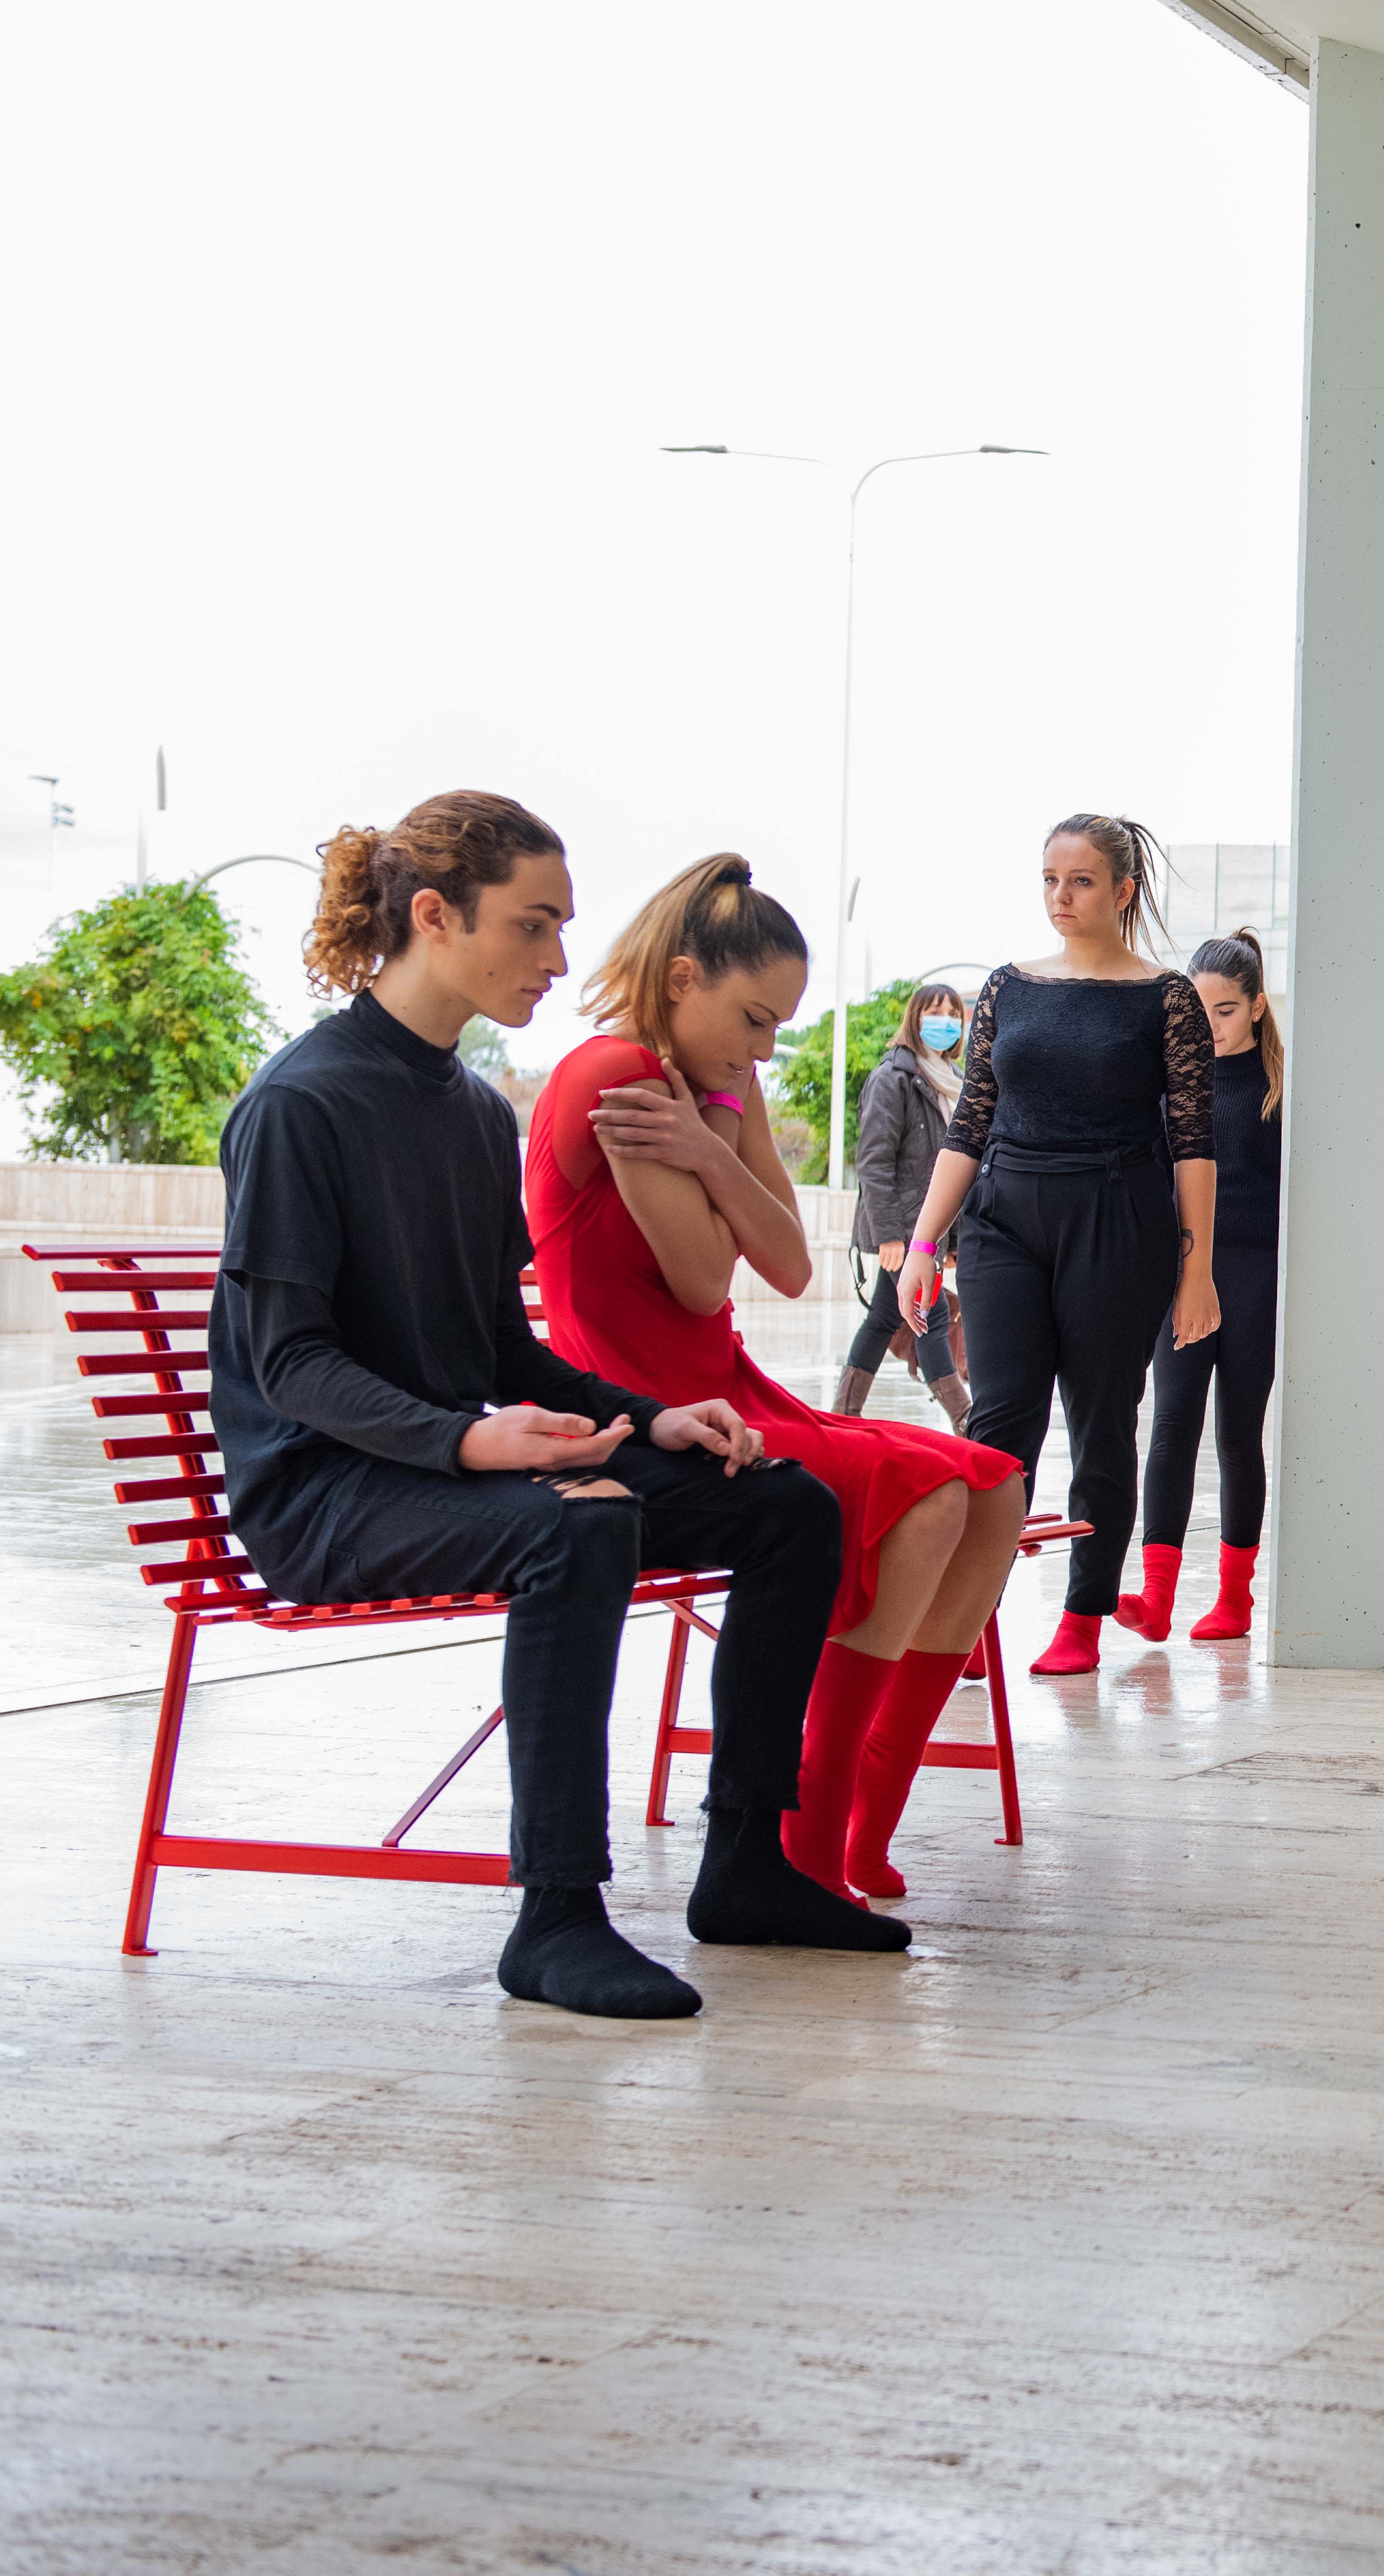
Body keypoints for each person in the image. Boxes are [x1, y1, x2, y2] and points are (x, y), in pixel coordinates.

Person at [214, 791, 885, 2023]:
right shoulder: (301, 1105)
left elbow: (500, 1345)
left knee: (782, 1502)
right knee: (573, 1524)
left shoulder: (472, 1111)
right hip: (323, 1493)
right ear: (433, 915)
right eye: (533, 924)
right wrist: (468, 1440)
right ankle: (558, 1914)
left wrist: (649, 1417)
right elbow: (289, 1365)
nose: (561, 957)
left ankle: (745, 1859)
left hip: (439, 1468)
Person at [528, 858, 1030, 1905]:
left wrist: (713, 1155)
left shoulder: (714, 1086)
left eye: (774, 1027)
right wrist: (727, 1164)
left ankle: (858, 1836)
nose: (763, 1049)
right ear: (679, 980)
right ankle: (806, 1836)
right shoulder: (614, 1075)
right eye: (752, 1019)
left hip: (727, 1386)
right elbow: (710, 1271)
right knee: (927, 1495)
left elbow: (791, 1263)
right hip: (642, 1411)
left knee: (992, 1484)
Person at [895, 817, 1219, 1678]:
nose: (1059, 898)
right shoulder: (1009, 986)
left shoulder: (1166, 997)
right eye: (1048, 880)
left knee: (1102, 1419)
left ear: (1121, 891)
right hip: (1004, 1216)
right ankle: (967, 1615)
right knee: (1001, 1420)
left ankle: (1083, 1613)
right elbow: (971, 1121)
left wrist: (1198, 1272)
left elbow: (1193, 1144)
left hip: (1120, 1219)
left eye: (1079, 882)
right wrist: (926, 1243)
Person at [1115, 932, 1287, 1646]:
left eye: (1224, 1011)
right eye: (1198, 1011)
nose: (1211, 1027)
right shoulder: (1168, 1085)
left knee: (1238, 1433)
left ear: (1254, 1007)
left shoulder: (1281, 1092)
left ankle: (1235, 1601)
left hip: (1256, 1276)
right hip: (1183, 1274)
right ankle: (1155, 1600)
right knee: (1172, 1421)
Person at [839, 982, 974, 1429]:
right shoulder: (893, 1079)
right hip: (903, 1230)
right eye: (934, 1012)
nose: (945, 1022)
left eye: (953, 1014)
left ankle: (844, 1413)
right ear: (915, 1019)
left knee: (884, 1316)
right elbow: (874, 1162)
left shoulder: (952, 1082)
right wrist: (889, 1235)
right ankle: (965, 1416)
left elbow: (947, 1172)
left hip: (928, 1231)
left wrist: (949, 1239)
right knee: (930, 1314)